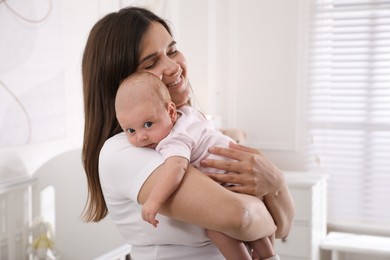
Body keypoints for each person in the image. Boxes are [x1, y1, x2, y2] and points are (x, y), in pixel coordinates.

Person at [82, 6, 295, 260]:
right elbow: (241, 216)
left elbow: (283, 227)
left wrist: (276, 181)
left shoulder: (191, 128)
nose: (173, 66)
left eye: (172, 51)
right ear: (122, 83)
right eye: (151, 62)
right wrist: (267, 198)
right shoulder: (123, 151)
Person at [115, 71, 279, 260]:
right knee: (258, 232)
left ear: (170, 112)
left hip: (229, 180)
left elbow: (176, 168)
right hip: (243, 174)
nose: (141, 137)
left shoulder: (174, 139)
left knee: (216, 228)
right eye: (130, 130)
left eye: (148, 124)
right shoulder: (189, 114)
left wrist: (154, 201)